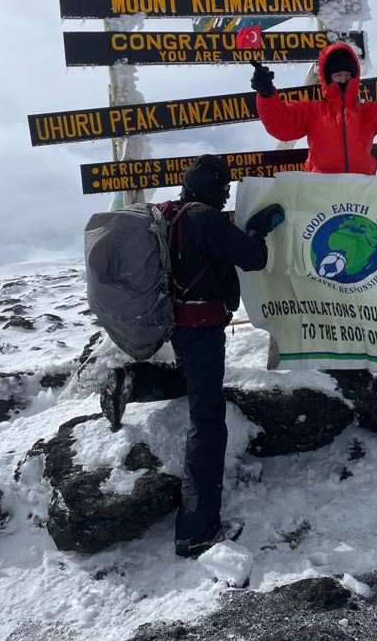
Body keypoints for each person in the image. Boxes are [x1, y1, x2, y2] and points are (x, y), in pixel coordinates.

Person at [100, 154, 285, 558]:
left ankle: (133, 380)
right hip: (202, 326)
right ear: (215, 187)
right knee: (207, 419)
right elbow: (254, 259)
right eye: (224, 186)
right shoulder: (207, 218)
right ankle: (197, 530)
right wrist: (257, 230)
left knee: (188, 379)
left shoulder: (166, 214)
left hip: (172, 322)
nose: (226, 194)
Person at [249, 41, 377, 174]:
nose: (343, 80)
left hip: (361, 193)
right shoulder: (313, 111)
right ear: (327, 77)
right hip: (319, 193)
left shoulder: (369, 113)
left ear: (355, 76)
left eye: (347, 75)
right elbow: (281, 126)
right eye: (337, 75)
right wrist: (267, 94)